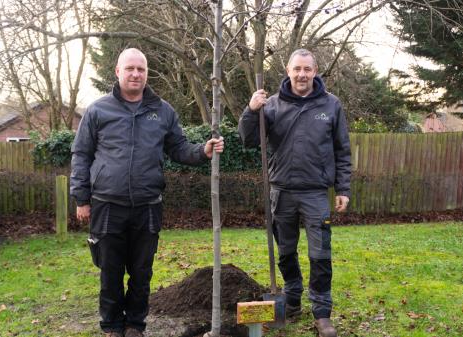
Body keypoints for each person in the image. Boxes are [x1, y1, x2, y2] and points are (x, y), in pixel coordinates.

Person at [70, 48, 224, 337]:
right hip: (106, 205)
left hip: (147, 206)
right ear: (117, 72)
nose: (135, 74)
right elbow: (81, 154)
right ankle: (112, 326)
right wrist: (82, 198)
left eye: (141, 69)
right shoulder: (98, 110)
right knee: (110, 272)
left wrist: (202, 151)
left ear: (146, 73)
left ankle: (135, 326)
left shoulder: (162, 111)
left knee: (142, 273)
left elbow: (179, 148)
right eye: (130, 68)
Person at [238, 49, 351, 337]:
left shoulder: (331, 105)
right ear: (288, 71)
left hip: (315, 193)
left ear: (315, 72)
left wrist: (343, 189)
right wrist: (251, 111)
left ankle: (322, 313)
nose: (302, 75)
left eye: (307, 69)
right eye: (297, 69)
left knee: (320, 254)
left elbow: (342, 150)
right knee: (286, 253)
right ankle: (293, 300)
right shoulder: (271, 105)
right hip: (282, 192)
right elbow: (248, 140)